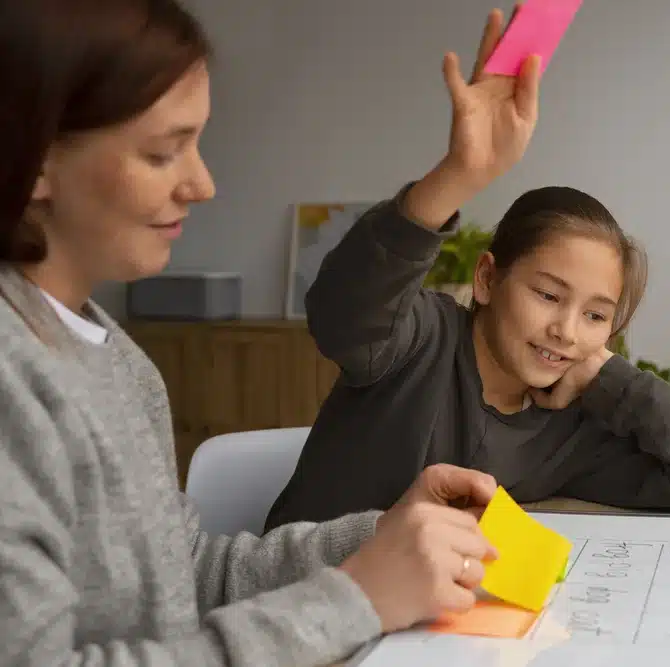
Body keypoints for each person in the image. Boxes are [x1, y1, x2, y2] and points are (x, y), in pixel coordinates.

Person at [0, 1, 540, 665]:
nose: (202, 183)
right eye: (164, 152)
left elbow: (188, 576)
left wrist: (381, 541)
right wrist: (357, 596)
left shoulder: (116, 356)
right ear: (33, 160)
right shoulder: (14, 382)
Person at [264, 103, 670, 530]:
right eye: (547, 295)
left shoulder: (568, 427)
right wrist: (458, 174)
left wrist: (616, 381)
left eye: (594, 315)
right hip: (303, 606)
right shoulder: (416, 339)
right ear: (486, 279)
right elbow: (344, 307)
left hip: (424, 630)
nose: (566, 331)